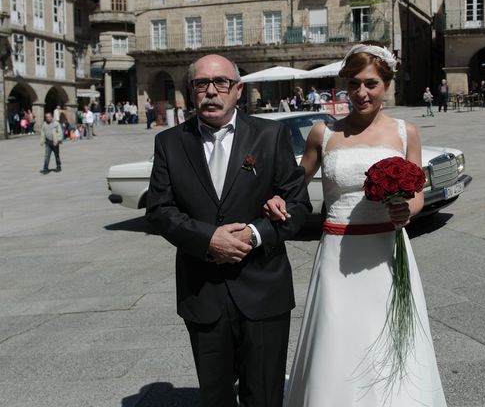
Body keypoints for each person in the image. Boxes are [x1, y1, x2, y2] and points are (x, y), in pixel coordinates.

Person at [265, 43, 447, 406]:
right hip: (336, 251)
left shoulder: (405, 132)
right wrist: (275, 196)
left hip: (387, 250)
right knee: (337, 334)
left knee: (389, 333)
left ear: (386, 85)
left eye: (371, 84)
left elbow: (418, 192)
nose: (361, 93)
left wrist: (407, 209)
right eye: (353, 84)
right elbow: (296, 180)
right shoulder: (324, 133)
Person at [145, 54, 311, 407]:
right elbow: (159, 211)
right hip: (203, 293)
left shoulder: (270, 135)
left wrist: (254, 233)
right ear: (191, 93)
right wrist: (208, 240)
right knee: (215, 397)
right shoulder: (170, 143)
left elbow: (299, 208)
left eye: (220, 82)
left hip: (263, 290)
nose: (211, 91)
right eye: (201, 84)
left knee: (264, 396)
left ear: (238, 90)